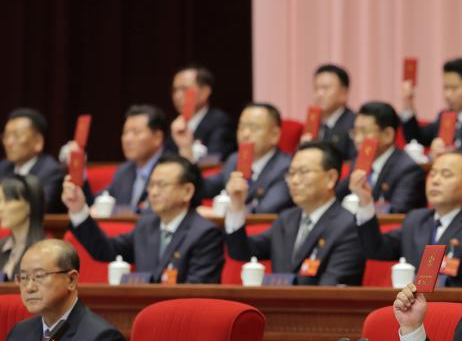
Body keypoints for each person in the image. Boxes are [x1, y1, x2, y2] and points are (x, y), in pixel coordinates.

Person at [63, 154, 224, 284]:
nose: (153, 192)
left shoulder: (205, 234)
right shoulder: (146, 225)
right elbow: (106, 250)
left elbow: (197, 291)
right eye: (151, 185)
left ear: (187, 191)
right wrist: (78, 210)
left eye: (161, 185)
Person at [225, 141, 364, 286]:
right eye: (291, 173)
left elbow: (331, 288)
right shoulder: (286, 219)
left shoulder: (348, 226)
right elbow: (241, 251)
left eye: (303, 172)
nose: (294, 181)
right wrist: (236, 206)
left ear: (331, 178)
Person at [0, 239, 126, 341]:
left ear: (71, 280)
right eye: (24, 278)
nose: (29, 287)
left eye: (39, 276)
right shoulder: (19, 333)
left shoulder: (101, 339)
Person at [356, 151, 462, 287]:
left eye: (446, 174)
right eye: (432, 174)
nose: (435, 180)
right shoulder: (415, 220)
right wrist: (365, 203)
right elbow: (376, 249)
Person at [70, 105, 167, 213]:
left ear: (157, 137)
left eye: (136, 132)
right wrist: (80, 171)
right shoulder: (124, 172)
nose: (128, 139)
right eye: (125, 133)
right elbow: (96, 204)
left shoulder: (171, 170)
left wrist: (120, 211)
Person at [199, 102, 292, 214]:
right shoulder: (234, 159)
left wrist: (221, 212)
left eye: (254, 128)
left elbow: (264, 210)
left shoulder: (286, 167)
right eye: (241, 127)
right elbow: (207, 187)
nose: (245, 134)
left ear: (274, 135)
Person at [336, 101, 425, 213]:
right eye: (355, 132)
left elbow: (397, 212)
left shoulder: (408, 170)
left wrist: (364, 205)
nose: (357, 139)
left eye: (364, 132)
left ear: (388, 135)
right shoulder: (359, 162)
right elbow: (336, 196)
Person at [164, 64, 236, 161]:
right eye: (174, 90)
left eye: (184, 89)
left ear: (205, 92)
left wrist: (187, 149)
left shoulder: (220, 122)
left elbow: (214, 160)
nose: (177, 96)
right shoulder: (175, 126)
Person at [0, 109, 66, 212]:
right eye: (6, 136)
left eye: (17, 136)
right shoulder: (3, 167)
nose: (9, 142)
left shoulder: (51, 172)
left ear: (38, 142)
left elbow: (38, 209)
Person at [304, 64, 357, 164]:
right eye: (316, 89)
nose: (319, 94)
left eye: (326, 88)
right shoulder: (312, 125)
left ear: (344, 92)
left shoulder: (355, 124)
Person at [0, 175, 46, 281]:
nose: (1, 208)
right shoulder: (1, 245)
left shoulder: (45, 252)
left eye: (8, 200)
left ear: (30, 205)